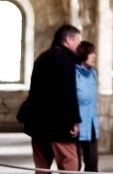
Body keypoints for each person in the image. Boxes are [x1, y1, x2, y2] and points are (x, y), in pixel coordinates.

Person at [26, 24, 81, 174]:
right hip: (59, 124)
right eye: (78, 41)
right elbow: (67, 92)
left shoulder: (42, 57)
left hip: (37, 122)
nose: (79, 46)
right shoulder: (65, 60)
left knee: (41, 168)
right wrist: (74, 120)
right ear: (69, 40)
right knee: (70, 164)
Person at [76, 41, 100, 172]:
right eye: (91, 53)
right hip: (76, 125)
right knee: (75, 165)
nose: (94, 56)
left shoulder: (93, 74)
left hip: (91, 125)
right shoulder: (73, 73)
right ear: (83, 53)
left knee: (92, 163)